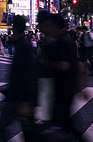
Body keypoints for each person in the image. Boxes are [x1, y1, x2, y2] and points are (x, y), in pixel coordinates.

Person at [37, 12, 81, 140]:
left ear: (54, 26)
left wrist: (45, 63)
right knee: (63, 122)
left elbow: (65, 65)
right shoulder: (54, 41)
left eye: (47, 24)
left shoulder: (62, 42)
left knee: (63, 122)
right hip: (59, 88)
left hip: (64, 88)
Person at [0, 15, 38, 141]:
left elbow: (29, 73)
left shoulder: (24, 46)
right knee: (28, 131)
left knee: (1, 128)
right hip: (19, 94)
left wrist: (27, 101)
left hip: (19, 96)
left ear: (15, 28)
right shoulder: (22, 44)